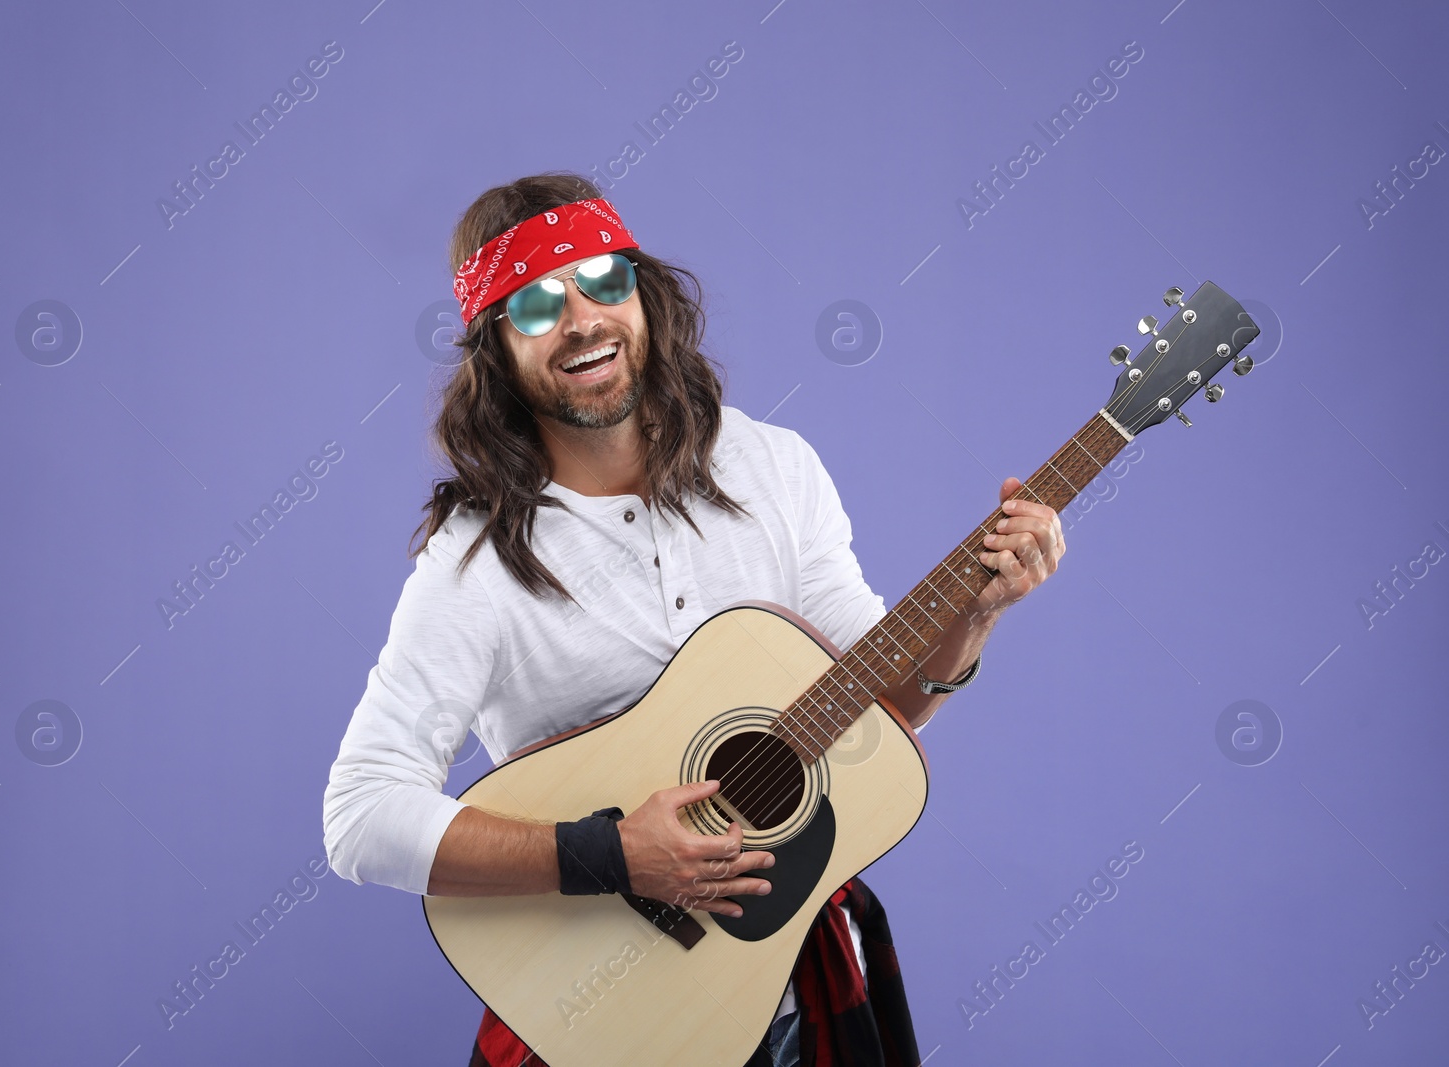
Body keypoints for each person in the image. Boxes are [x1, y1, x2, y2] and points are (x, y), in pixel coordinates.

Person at [322, 173, 1065, 1067]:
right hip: (599, 1017)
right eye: (536, 304)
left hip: (793, 984)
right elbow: (360, 816)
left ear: (645, 295)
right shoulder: (474, 563)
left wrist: (973, 618)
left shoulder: (773, 467)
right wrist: (612, 853)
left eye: (603, 279)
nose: (583, 319)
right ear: (495, 350)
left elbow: (882, 701)